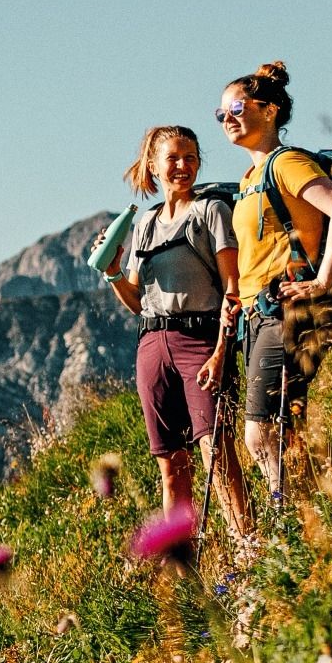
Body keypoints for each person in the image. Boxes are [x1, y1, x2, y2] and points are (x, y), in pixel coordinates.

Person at [216, 61, 332, 506]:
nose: (228, 119)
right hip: (256, 314)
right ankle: (316, 512)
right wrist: (235, 298)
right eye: (220, 114)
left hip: (288, 309)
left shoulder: (287, 163)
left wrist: (322, 280)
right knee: (284, 426)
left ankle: (294, 519)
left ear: (270, 110)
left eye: (237, 107)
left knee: (260, 433)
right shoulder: (249, 179)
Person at [98, 125, 251, 532]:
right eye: (173, 158)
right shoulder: (145, 223)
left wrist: (221, 352)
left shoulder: (211, 212)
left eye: (191, 157)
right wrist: (114, 273)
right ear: (153, 165)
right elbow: (137, 300)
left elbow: (232, 289)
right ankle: (183, 565)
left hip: (200, 340)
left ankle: (247, 547)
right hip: (151, 345)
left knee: (215, 450)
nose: (183, 166)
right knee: (170, 462)